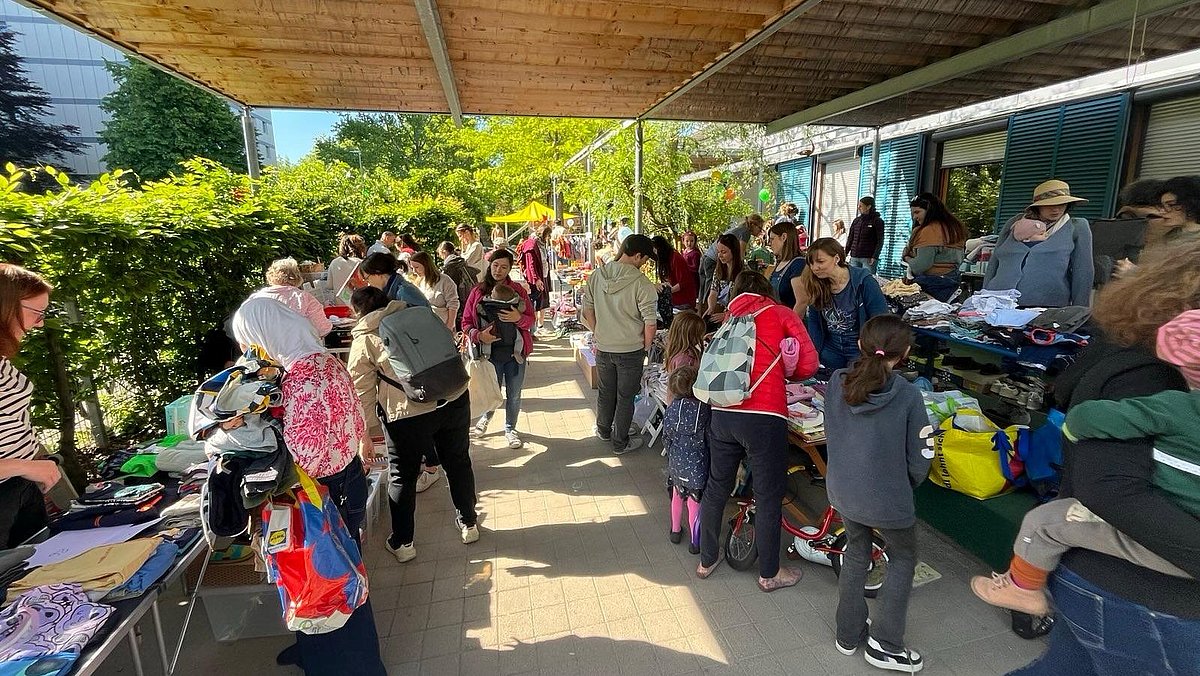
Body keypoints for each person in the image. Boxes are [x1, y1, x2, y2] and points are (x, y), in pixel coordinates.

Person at [1005, 240, 1200, 675]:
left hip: (1114, 583)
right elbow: (1110, 489)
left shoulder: (1143, 368)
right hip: (1142, 595)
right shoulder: (1151, 376)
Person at [971, 311, 1199, 617]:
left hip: (1167, 539)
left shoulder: (1176, 405)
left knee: (1043, 522)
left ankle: (1023, 589)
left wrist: (1072, 429)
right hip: (1181, 536)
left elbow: (1088, 419)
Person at [229, 297, 386, 675]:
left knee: (326, 579)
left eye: (249, 341)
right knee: (334, 570)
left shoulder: (301, 379)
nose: (249, 352)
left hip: (319, 494)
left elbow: (307, 456)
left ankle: (349, 664)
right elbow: (351, 422)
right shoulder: (323, 361)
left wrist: (252, 436)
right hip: (344, 481)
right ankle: (318, 650)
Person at [697, 271, 819, 591]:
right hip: (764, 416)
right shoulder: (781, 314)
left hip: (722, 411)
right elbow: (808, 365)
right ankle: (769, 573)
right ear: (767, 290)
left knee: (717, 485)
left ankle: (706, 560)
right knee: (768, 494)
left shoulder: (729, 318)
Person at [824, 314, 932, 672]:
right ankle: (885, 643)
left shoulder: (837, 382)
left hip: (844, 491)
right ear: (904, 354)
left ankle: (848, 633)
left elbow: (832, 433)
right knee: (902, 558)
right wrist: (902, 485)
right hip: (888, 498)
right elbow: (920, 458)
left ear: (860, 344)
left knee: (856, 552)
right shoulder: (908, 395)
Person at [347, 286, 479, 565]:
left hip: (408, 412)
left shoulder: (365, 339)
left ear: (357, 312)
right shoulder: (420, 314)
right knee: (458, 462)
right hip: (453, 396)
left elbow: (361, 390)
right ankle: (469, 524)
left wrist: (366, 433)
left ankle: (403, 542)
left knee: (403, 476)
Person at [0, 265, 61, 548]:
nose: (39, 323)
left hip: (21, 487)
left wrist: (32, 463)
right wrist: (25, 466)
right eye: (37, 313)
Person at [581, 234, 658, 456]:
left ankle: (604, 430)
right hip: (630, 349)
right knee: (626, 397)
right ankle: (620, 442)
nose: (644, 264)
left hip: (604, 347)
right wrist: (645, 347)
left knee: (606, 392)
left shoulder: (597, 275)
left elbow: (587, 311)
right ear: (637, 256)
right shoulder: (642, 283)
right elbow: (650, 323)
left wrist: (599, 333)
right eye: (645, 259)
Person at [462, 249, 536, 450]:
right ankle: (485, 418)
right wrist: (479, 335)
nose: (498, 270)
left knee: (514, 394)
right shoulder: (478, 291)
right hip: (489, 355)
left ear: (510, 269)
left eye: (504, 267)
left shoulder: (518, 291)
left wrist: (518, 318)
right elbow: (466, 322)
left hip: (515, 355)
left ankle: (510, 429)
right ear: (490, 265)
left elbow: (531, 320)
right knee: (491, 391)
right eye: (495, 265)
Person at [984, 179, 1094, 307]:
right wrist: (984, 295)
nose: (1056, 209)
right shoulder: (1014, 223)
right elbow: (994, 262)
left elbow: (1083, 271)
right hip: (998, 300)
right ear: (1038, 206)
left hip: (1047, 304)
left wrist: (1079, 309)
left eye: (1062, 204)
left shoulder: (1077, 226)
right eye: (1049, 204)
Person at [801, 238, 889, 370]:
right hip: (830, 350)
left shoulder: (864, 282)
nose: (814, 268)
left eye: (820, 261)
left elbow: (880, 319)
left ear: (836, 258)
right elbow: (814, 321)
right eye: (811, 263)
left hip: (860, 350)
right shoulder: (815, 283)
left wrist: (870, 348)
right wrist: (815, 350)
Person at [663, 365, 709, 556]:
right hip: (697, 464)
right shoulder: (705, 409)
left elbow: (666, 436)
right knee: (694, 502)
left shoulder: (672, 408)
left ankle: (675, 531)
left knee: (676, 495)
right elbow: (709, 438)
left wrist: (671, 452)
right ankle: (695, 542)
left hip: (676, 462)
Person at [903, 193, 967, 302]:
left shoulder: (929, 231)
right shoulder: (954, 228)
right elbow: (960, 259)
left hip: (933, 285)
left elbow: (920, 266)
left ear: (930, 210)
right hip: (953, 282)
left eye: (917, 212)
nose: (914, 217)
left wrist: (907, 258)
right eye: (913, 213)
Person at [251, 257, 332, 337]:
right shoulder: (304, 298)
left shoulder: (256, 298)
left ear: (271, 275)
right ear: (297, 276)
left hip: (263, 344)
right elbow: (323, 329)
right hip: (299, 344)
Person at [699, 215, 765, 304]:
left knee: (704, 290)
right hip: (712, 260)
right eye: (760, 228)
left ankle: (703, 307)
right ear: (753, 225)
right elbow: (741, 254)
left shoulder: (740, 229)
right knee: (709, 290)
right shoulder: (746, 232)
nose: (760, 231)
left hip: (707, 257)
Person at [406, 251, 459, 331]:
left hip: (442, 325)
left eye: (416, 267)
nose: (414, 271)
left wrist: (449, 326)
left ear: (426, 265)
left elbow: (453, 304)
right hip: (425, 326)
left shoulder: (445, 280)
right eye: (412, 268)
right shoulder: (419, 281)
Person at [361, 252, 430, 309]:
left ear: (377, 273)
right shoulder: (394, 290)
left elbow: (423, 318)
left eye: (367, 278)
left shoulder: (404, 292)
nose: (368, 284)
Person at [703, 233, 745, 325]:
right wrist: (711, 307)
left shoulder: (744, 272)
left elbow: (744, 301)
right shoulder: (718, 269)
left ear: (734, 251)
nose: (720, 255)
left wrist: (727, 315)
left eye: (723, 252)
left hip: (738, 315)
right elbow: (713, 292)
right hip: (724, 310)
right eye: (718, 252)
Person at [767, 221, 807, 317]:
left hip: (788, 321)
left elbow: (802, 301)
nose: (769, 243)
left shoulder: (798, 264)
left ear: (784, 237)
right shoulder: (780, 263)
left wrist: (790, 323)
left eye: (772, 239)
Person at [437, 241, 480, 329]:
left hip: (457, 299)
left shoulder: (449, 266)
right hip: (466, 296)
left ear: (444, 251)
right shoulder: (461, 262)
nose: (440, 256)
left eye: (440, 253)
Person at [518, 225, 552, 334]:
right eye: (548, 235)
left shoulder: (541, 244)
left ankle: (540, 326)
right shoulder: (531, 244)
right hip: (535, 279)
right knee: (534, 303)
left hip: (543, 276)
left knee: (543, 302)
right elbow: (530, 264)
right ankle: (532, 330)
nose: (549, 237)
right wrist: (536, 279)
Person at [652, 235, 698, 312]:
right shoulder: (666, 259)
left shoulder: (675, 258)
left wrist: (668, 292)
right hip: (674, 300)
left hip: (683, 301)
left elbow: (683, 282)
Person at [846, 197, 884, 272]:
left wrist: (875, 256)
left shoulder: (877, 221)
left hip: (868, 257)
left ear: (868, 207)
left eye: (861, 206)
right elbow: (850, 238)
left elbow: (880, 240)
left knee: (867, 277)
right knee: (853, 276)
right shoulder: (856, 221)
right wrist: (845, 253)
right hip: (854, 256)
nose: (858, 208)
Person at [328, 233, 367, 300]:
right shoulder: (361, 263)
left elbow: (329, 286)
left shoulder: (334, 262)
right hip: (358, 302)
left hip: (339, 303)